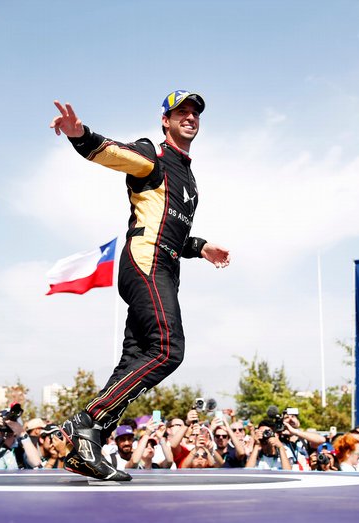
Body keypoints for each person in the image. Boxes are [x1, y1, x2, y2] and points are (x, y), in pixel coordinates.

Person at [50, 90, 230, 481]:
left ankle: (89, 445)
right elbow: (116, 154)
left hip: (165, 265)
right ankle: (86, 419)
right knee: (168, 350)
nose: (189, 117)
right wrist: (80, 134)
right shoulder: (154, 155)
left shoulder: (190, 179)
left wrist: (201, 247)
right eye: (180, 111)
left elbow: (175, 231)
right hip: (146, 262)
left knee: (136, 358)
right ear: (165, 120)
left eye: (194, 112)